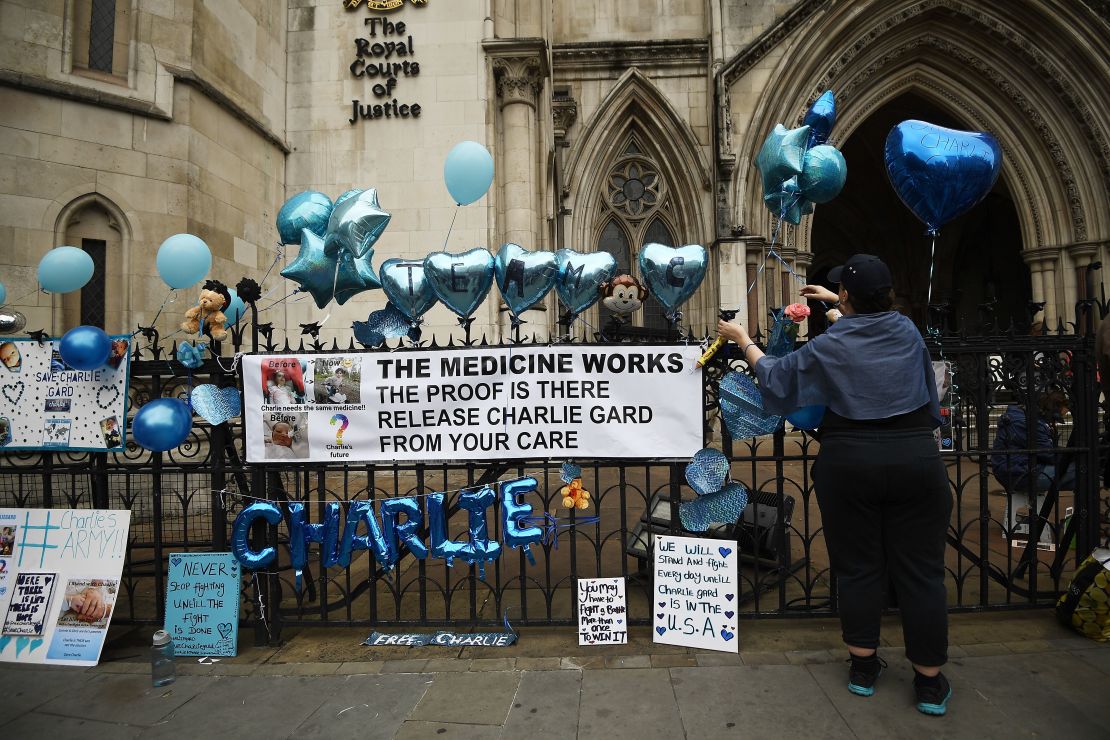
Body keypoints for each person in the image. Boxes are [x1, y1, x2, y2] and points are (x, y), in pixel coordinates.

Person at [717, 254, 953, 716]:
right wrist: (836, 301)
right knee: (922, 572)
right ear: (886, 297)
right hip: (914, 457)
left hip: (851, 459)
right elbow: (927, 393)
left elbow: (776, 376)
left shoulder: (832, 342)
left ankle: (863, 668)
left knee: (858, 565)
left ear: (846, 297)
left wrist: (743, 339)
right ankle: (929, 682)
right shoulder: (906, 331)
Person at [990, 390, 1072, 539]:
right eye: (1057, 417)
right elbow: (1049, 455)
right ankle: (1082, 522)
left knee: (1079, 469)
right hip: (1020, 473)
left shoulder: (1025, 417)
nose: (1055, 422)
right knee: (1080, 470)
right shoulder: (1030, 423)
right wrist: (1073, 455)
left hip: (1016, 469)